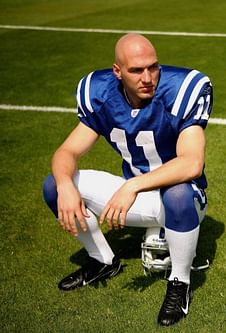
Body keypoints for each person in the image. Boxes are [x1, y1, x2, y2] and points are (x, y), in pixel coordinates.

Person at [42, 33, 213, 326]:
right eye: (136, 70)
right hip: (135, 196)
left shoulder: (182, 88)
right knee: (54, 185)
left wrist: (132, 186)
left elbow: (192, 163)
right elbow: (67, 151)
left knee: (178, 194)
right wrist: (65, 185)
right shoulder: (100, 92)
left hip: (181, 199)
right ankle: (103, 261)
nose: (148, 77)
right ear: (117, 72)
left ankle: (180, 283)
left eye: (153, 66)